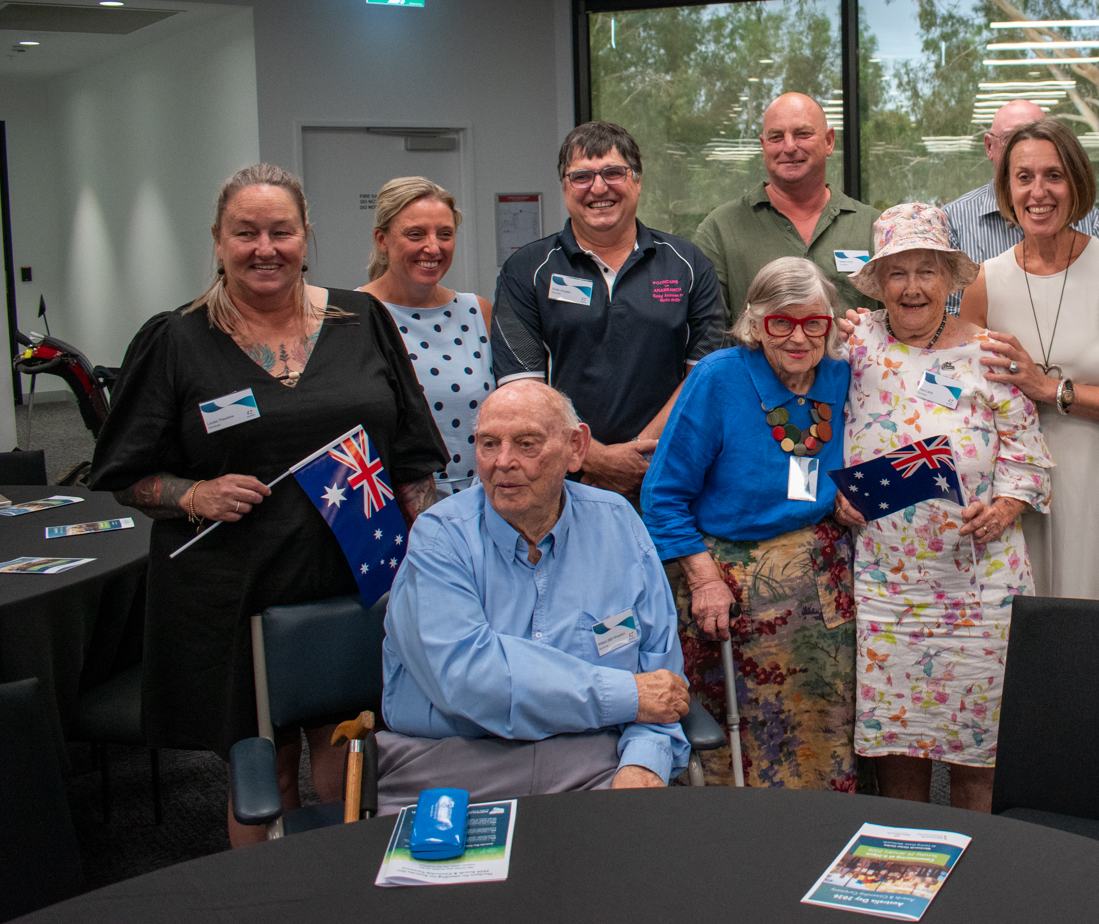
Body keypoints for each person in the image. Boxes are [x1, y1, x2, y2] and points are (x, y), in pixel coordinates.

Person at [89, 163, 448, 846]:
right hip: (238, 592)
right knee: (268, 771)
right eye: (245, 233)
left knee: (352, 762)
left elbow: (410, 457)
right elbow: (123, 474)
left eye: (280, 231)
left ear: (305, 236)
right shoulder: (176, 339)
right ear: (218, 241)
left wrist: (434, 559)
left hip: (355, 579)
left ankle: (352, 895)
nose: (265, 248)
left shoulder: (362, 319)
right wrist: (193, 492)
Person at [378, 380, 689, 809]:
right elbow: (470, 678)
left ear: (576, 448)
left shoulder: (617, 522)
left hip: (593, 761)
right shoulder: (439, 537)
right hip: (452, 767)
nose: (502, 463)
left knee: (636, 869)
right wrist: (626, 695)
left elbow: (662, 675)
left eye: (526, 444)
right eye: (488, 444)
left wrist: (644, 761)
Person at [842, 204, 1052, 811]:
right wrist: (834, 495)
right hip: (886, 582)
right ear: (878, 283)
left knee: (976, 744)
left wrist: (1008, 504)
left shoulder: (991, 354)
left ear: (951, 279)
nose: (912, 287)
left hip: (978, 584)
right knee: (896, 743)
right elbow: (816, 431)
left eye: (927, 271)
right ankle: (904, 864)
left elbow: (1029, 456)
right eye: (897, 272)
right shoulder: (852, 346)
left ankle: (975, 874)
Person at [640, 257, 858, 790]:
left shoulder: (840, 372)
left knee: (826, 727)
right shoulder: (720, 377)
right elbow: (662, 496)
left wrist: (843, 495)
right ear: (756, 322)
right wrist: (703, 579)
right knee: (741, 740)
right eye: (781, 322)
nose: (798, 338)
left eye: (814, 322)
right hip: (729, 588)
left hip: (820, 589)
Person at [961, 121, 1099, 605]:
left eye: (1053, 175)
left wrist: (1048, 388)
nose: (1039, 192)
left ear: (1077, 183)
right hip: (1018, 488)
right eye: (1023, 177)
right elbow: (957, 385)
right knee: (1034, 634)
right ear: (1007, 190)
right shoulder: (984, 281)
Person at [492, 120, 721, 501]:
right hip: (561, 482)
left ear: (637, 180)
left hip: (666, 475)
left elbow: (704, 375)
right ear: (564, 187)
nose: (599, 188)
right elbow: (522, 387)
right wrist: (592, 457)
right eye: (581, 176)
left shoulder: (688, 264)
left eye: (613, 173)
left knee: (663, 563)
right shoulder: (526, 270)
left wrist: (637, 454)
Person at [357, 176, 494, 494]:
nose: (433, 247)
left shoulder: (477, 312)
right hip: (394, 507)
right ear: (382, 239)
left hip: (480, 502)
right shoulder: (352, 316)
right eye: (415, 234)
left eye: (444, 234)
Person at [696, 91, 881, 324]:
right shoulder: (721, 230)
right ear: (763, 146)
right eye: (776, 137)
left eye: (802, 134)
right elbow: (708, 337)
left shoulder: (874, 227)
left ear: (829, 141)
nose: (790, 146)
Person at [940, 99, 1099, 311]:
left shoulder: (1089, 221)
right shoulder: (953, 222)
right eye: (1010, 138)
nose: (1026, 147)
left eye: (1041, 135)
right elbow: (946, 317)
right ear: (989, 146)